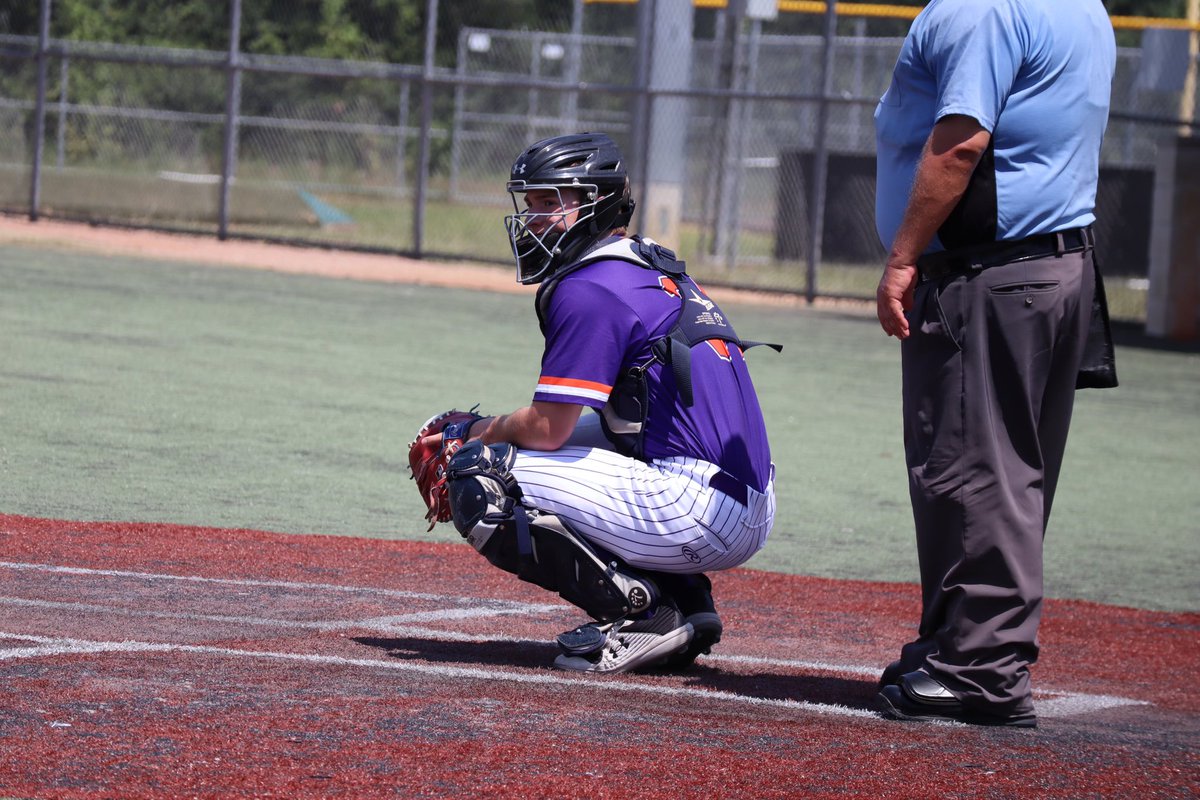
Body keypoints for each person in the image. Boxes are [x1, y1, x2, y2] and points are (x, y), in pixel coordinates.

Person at [423, 132, 777, 674]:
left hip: (694, 507)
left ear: (597, 203)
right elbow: (617, 424)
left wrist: (471, 432)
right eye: (531, 203)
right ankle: (686, 603)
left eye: (551, 202)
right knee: (594, 438)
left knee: (479, 473)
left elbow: (547, 429)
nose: (533, 218)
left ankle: (645, 614)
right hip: (741, 500)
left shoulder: (590, 284)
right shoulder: (645, 267)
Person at [872, 0, 1118, 727]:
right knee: (1005, 468)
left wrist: (903, 258)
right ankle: (957, 643)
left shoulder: (982, 8)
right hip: (1057, 265)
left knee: (974, 468)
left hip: (991, 273)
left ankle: (980, 669)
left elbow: (961, 143)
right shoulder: (1081, 5)